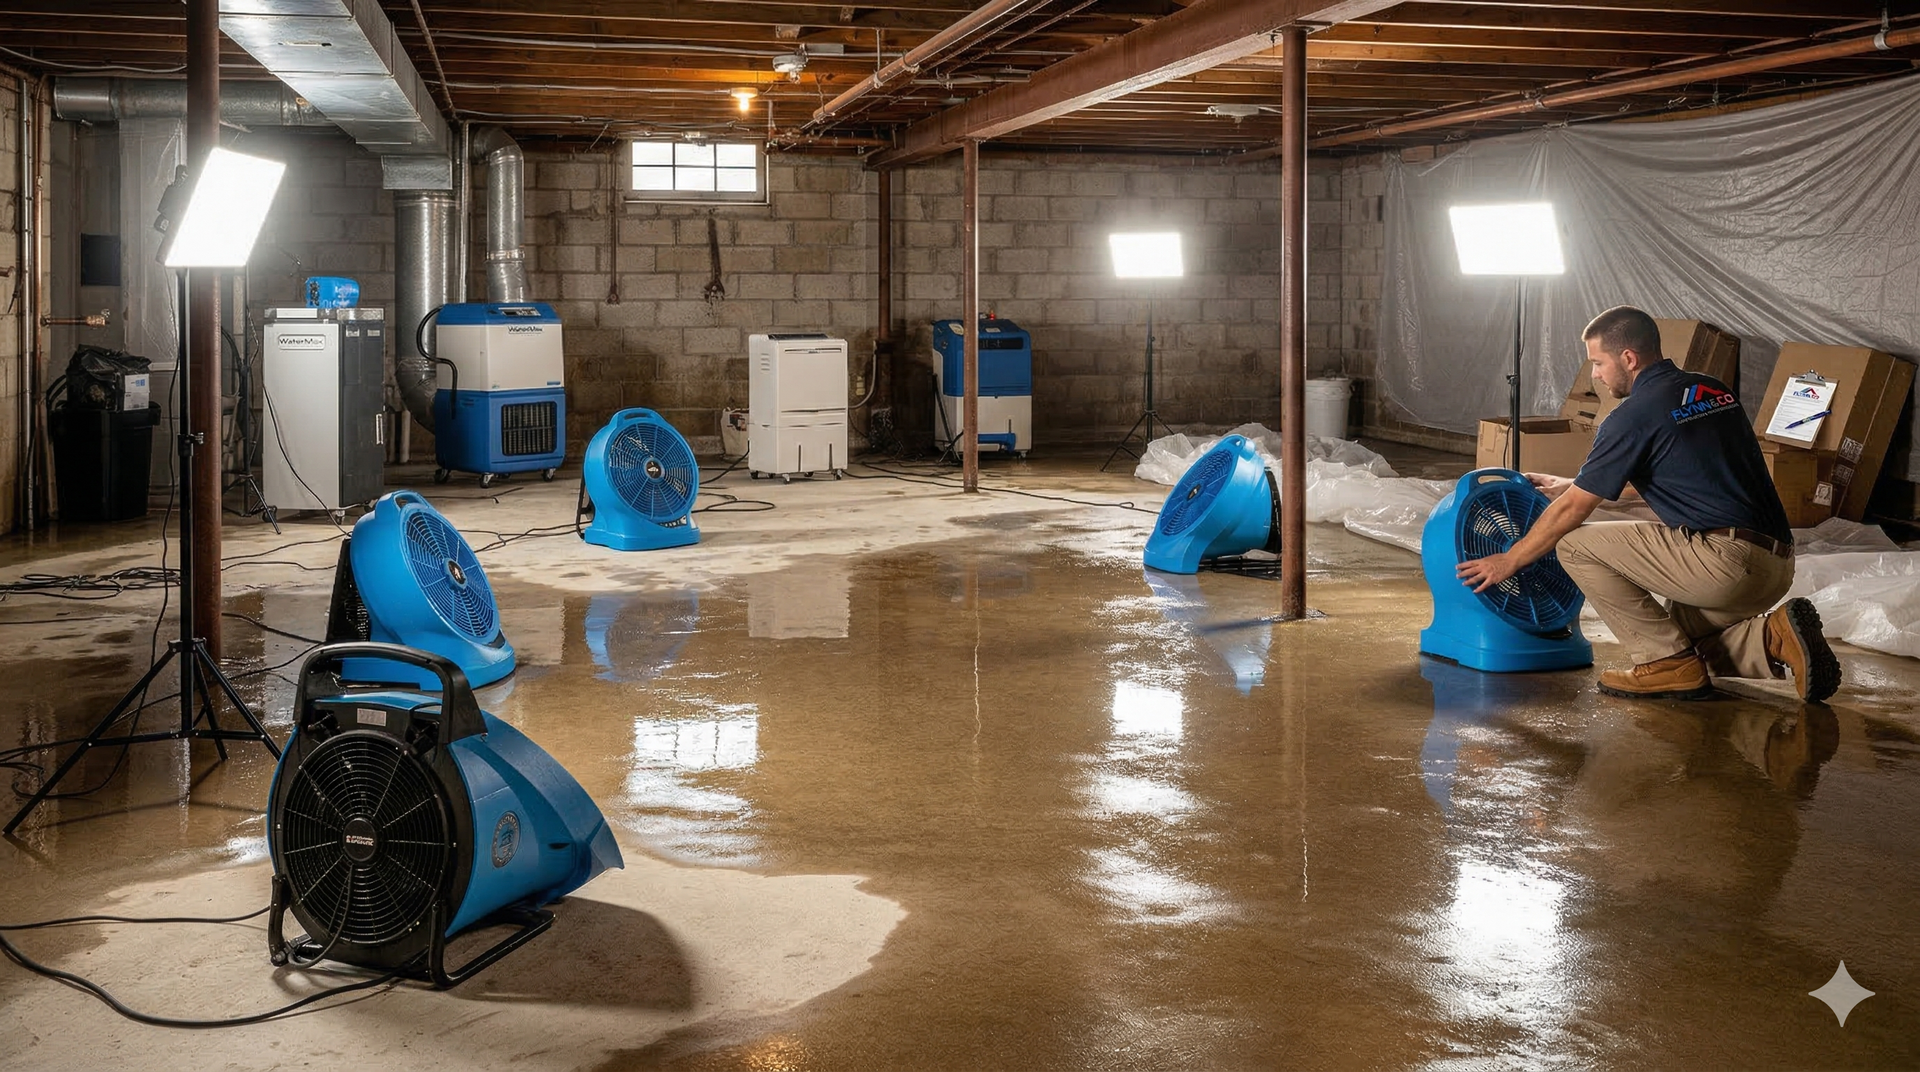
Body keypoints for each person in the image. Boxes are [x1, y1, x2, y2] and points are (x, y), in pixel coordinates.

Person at [1455, 305, 1840, 702]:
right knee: (1682, 643)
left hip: (1724, 565)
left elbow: (1574, 510)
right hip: (1775, 567)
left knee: (1573, 544)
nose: (1596, 375)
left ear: (1628, 358)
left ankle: (1663, 666)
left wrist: (1511, 558)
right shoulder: (1713, 391)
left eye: (1598, 363)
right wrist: (1576, 483)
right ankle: (1774, 637)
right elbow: (1678, 472)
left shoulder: (1632, 416)